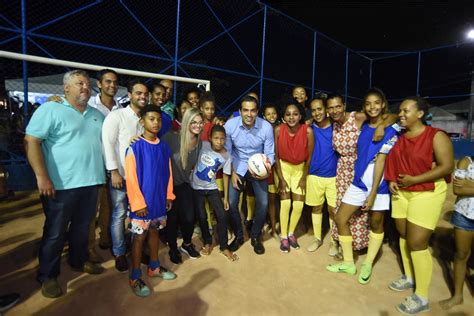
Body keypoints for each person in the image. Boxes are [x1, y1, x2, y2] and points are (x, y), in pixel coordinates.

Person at [25, 70, 105, 298]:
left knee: (81, 229)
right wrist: (41, 177)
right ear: (66, 88)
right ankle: (48, 276)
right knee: (55, 232)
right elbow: (31, 141)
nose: (85, 88)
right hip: (59, 185)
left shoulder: (96, 115)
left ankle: (78, 261)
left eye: (88, 85)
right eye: (79, 83)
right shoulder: (51, 109)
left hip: (91, 183)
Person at [384, 96, 454, 314]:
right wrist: (392, 180)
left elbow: (446, 166)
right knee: (404, 235)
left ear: (421, 114)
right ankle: (409, 276)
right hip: (402, 192)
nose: (402, 114)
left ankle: (421, 296)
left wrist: (415, 179)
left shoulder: (436, 136)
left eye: (406, 111)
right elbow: (394, 162)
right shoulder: (400, 136)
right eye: (401, 111)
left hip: (427, 192)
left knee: (417, 243)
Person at [326, 88, 400, 285]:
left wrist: (373, 192)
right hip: (358, 182)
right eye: (368, 104)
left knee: (376, 223)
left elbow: (382, 160)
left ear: (383, 104)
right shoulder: (364, 125)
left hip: (380, 184)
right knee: (341, 218)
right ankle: (349, 263)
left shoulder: (392, 129)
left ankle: (367, 263)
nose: (372, 107)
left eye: (376, 103)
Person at [125, 105, 176, 297]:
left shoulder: (164, 147)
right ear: (142, 122)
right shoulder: (135, 147)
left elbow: (168, 173)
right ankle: (135, 275)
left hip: (158, 202)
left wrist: (169, 195)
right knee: (139, 239)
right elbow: (130, 178)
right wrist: (138, 204)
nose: (155, 123)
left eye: (158, 119)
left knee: (154, 233)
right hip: (141, 205)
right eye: (151, 119)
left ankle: (154, 267)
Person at [102, 79, 149, 272]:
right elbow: (108, 144)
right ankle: (120, 252)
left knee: (139, 213)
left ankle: (137, 247)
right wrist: (114, 172)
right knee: (119, 214)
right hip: (120, 176)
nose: (142, 97)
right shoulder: (117, 116)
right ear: (129, 95)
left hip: (140, 179)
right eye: (138, 93)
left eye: (145, 94)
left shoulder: (146, 119)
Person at [224, 96, 275, 255]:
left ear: (257, 112)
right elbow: (227, 152)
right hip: (237, 166)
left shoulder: (266, 127)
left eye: (253, 110)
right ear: (240, 111)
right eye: (245, 110)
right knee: (232, 202)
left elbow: (270, 154)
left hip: (258, 167)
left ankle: (255, 236)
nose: (249, 114)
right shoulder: (230, 125)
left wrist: (265, 170)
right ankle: (239, 236)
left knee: (264, 202)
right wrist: (232, 172)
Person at [87, 68, 121, 262]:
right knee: (92, 209)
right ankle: (88, 247)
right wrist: (55, 100)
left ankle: (106, 238)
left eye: (115, 82)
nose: (112, 85)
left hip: (114, 166)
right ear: (99, 84)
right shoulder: (89, 104)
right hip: (94, 165)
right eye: (108, 81)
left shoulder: (121, 108)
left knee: (110, 206)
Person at [191, 125, 238, 262]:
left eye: (222, 139)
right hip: (196, 187)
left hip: (212, 188)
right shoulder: (203, 145)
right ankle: (207, 241)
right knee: (202, 216)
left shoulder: (226, 155)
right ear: (210, 138)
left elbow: (225, 175)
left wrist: (225, 198)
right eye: (216, 138)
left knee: (222, 216)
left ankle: (224, 246)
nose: (219, 141)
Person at [162, 107, 203, 263]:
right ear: (186, 122)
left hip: (184, 184)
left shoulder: (199, 143)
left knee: (189, 218)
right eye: (194, 122)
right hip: (169, 186)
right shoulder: (171, 138)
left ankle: (186, 244)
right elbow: (154, 148)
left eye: (200, 123)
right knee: (172, 220)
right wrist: (135, 138)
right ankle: (173, 247)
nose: (198, 126)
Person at [274, 100, 314, 252]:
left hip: (300, 169)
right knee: (285, 203)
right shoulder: (278, 130)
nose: (291, 117)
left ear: (300, 116)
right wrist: (281, 179)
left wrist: (304, 177)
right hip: (283, 168)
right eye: (288, 114)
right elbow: (276, 156)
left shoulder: (308, 131)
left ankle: (291, 233)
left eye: (295, 114)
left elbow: (309, 158)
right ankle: (283, 236)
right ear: (283, 117)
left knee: (298, 205)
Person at [439, 156, 474, 310]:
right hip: (464, 216)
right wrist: (465, 186)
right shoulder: (466, 162)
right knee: (461, 255)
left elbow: (465, 188)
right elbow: (457, 189)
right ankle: (457, 295)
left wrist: (470, 185)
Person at [305, 96, 338, 254]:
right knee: (317, 208)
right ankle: (317, 238)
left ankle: (333, 241)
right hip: (314, 175)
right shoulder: (309, 128)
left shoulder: (337, 126)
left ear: (326, 109)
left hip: (333, 176)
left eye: (320, 109)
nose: (317, 113)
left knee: (333, 210)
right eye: (314, 110)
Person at [262, 103, 279, 237]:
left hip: (277, 168)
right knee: (264, 200)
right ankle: (263, 224)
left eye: (273, 113)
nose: (271, 116)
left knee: (274, 200)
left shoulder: (280, 129)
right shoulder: (261, 130)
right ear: (264, 116)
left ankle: (274, 227)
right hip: (264, 168)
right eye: (268, 114)